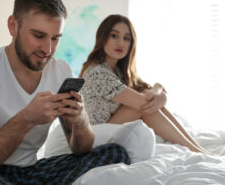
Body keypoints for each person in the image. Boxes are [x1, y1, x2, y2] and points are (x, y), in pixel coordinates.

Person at [0, 0, 130, 185]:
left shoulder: (61, 72)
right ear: (13, 26)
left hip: (26, 173)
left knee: (114, 153)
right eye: (38, 36)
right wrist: (26, 119)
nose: (48, 49)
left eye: (55, 38)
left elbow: (80, 149)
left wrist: (80, 121)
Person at [79, 14, 212, 154]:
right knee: (145, 106)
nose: (121, 43)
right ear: (103, 37)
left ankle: (196, 147)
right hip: (97, 136)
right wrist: (157, 96)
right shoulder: (97, 72)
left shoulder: (117, 70)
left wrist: (162, 94)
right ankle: (195, 150)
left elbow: (151, 89)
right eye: (114, 36)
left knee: (148, 104)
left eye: (126, 38)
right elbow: (145, 100)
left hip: (111, 128)